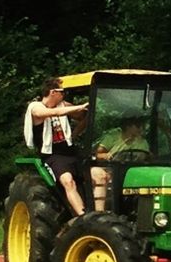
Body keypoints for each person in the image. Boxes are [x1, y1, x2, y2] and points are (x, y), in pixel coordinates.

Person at [23, 77, 89, 216]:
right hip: (53, 154)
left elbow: (85, 116)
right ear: (53, 92)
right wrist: (78, 106)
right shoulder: (35, 107)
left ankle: (98, 212)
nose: (63, 95)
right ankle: (82, 216)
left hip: (70, 150)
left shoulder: (63, 105)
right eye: (62, 92)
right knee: (68, 181)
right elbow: (49, 113)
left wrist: (74, 133)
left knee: (95, 174)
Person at [91, 115, 151, 210]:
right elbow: (98, 154)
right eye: (138, 126)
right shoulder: (112, 137)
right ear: (128, 126)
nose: (141, 129)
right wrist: (106, 156)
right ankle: (100, 213)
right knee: (101, 175)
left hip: (133, 171)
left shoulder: (143, 142)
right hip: (112, 169)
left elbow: (147, 158)